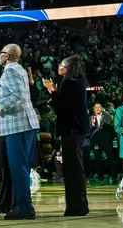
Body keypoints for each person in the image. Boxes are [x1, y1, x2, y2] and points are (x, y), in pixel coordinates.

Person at [0, 43, 39, 220]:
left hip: (17, 125)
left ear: (8, 56)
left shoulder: (11, 71)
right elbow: (5, 88)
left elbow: (17, 95)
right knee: (20, 168)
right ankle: (22, 205)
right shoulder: (15, 69)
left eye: (1, 52)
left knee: (19, 169)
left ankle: (24, 207)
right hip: (23, 125)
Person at [43, 55, 90, 216]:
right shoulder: (77, 82)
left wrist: (52, 92)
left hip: (72, 129)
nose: (59, 66)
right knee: (75, 167)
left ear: (68, 68)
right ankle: (80, 204)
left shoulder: (69, 83)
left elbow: (63, 108)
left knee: (72, 169)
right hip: (76, 129)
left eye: (62, 65)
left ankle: (76, 206)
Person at [89, 103, 114, 182]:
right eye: (95, 107)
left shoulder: (106, 115)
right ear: (94, 109)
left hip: (106, 140)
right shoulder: (91, 117)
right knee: (97, 158)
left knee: (110, 157)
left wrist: (103, 122)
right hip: (96, 141)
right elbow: (89, 130)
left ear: (101, 108)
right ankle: (100, 176)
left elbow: (109, 125)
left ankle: (112, 175)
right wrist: (93, 123)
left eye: (99, 107)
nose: (97, 109)